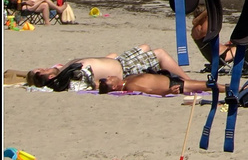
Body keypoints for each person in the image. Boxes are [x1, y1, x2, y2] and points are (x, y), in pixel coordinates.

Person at [27, 45, 189, 93]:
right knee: (159, 53)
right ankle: (187, 80)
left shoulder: (63, 70)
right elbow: (92, 83)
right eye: (42, 70)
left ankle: (186, 79)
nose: (46, 67)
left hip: (120, 61)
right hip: (125, 69)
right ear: (48, 77)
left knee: (145, 47)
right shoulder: (70, 77)